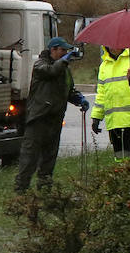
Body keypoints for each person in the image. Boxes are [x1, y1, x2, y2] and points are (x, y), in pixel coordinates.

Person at [15, 37, 88, 193]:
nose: (65, 54)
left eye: (66, 51)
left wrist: (78, 99)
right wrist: (65, 61)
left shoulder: (64, 70)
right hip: (39, 119)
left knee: (49, 158)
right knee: (29, 158)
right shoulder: (40, 65)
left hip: (55, 119)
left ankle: (45, 191)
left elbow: (69, 90)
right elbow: (51, 71)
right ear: (53, 49)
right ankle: (20, 190)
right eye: (63, 50)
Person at [90, 46, 130, 157]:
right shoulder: (104, 65)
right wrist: (96, 117)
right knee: (120, 159)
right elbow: (102, 94)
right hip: (114, 123)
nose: (112, 46)